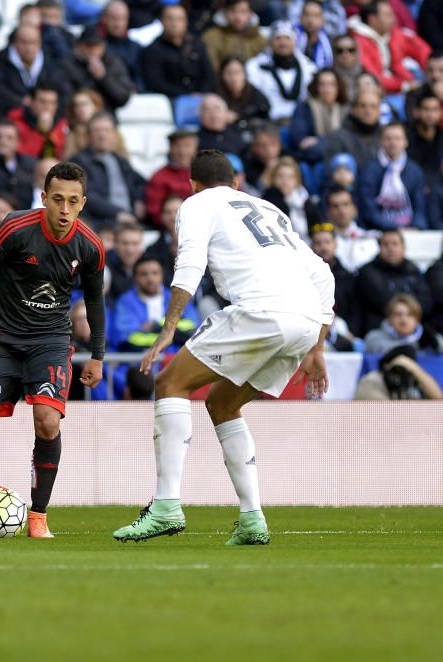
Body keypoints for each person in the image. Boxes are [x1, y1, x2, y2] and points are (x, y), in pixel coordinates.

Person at [112, 149, 334, 546]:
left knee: (169, 384)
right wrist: (317, 348)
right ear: (236, 182)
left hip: (261, 312)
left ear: (192, 184)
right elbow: (322, 273)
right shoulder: (269, 209)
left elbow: (190, 263)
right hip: (303, 320)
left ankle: (165, 506)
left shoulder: (197, 203)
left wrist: (169, 328)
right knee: (223, 404)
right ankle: (252, 520)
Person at [0, 161, 106, 539]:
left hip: (49, 343)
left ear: (83, 203)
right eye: (58, 200)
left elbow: (95, 300)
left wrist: (97, 354)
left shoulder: (91, 246)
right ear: (44, 198)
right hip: (0, 339)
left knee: (47, 422)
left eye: (73, 202)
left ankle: (39, 515)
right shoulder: (16, 227)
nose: (64, 210)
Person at [70, 112, 146, 228]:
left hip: (129, 220)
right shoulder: (79, 162)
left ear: (115, 135)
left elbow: (140, 182)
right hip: (101, 222)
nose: (102, 135)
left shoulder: (120, 160)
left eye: (107, 130)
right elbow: (85, 195)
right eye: (97, 131)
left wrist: (139, 199)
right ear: (88, 136)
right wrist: (117, 213)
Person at [111, 256, 200, 352]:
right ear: (135, 278)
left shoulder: (177, 298)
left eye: (155, 273)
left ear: (162, 275)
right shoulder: (125, 302)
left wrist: (156, 326)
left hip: (172, 360)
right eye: (144, 274)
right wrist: (169, 337)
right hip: (137, 362)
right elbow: (128, 338)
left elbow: (192, 326)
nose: (150, 278)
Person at [355, 229, 435, 334]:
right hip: (379, 329)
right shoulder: (367, 272)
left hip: (415, 329)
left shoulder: (414, 270)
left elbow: (427, 301)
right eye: (386, 244)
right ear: (379, 248)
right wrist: (409, 306)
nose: (390, 248)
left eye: (395, 244)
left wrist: (408, 314)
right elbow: (380, 299)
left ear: (403, 248)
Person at [356, 121, 427, 230]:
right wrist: (393, 228)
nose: (393, 143)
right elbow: (368, 208)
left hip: (411, 231)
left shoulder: (415, 170)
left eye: (397, 138)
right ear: (380, 141)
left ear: (406, 142)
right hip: (378, 230)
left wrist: (417, 226)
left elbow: (420, 205)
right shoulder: (370, 170)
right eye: (388, 138)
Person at [348, 0, 430, 94]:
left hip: (401, 82)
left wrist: (432, 71)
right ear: (372, 19)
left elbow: (421, 49)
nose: (394, 19)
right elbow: (374, 77)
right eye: (387, 15)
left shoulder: (392, 33)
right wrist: (404, 85)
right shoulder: (358, 43)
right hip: (380, 92)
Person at [246, 21, 318, 124]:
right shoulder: (255, 66)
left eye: (287, 38)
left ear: (295, 42)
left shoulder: (308, 67)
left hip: (300, 121)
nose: (283, 43)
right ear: (270, 42)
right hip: (269, 121)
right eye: (278, 38)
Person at [140, 3, 216, 99]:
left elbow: (209, 76)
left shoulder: (197, 45)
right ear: (162, 21)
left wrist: (201, 93)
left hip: (201, 98)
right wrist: (185, 95)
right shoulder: (152, 50)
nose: (174, 24)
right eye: (170, 19)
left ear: (186, 22)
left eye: (180, 19)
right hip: (170, 100)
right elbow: (156, 83)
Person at [354, 344, 443, 399]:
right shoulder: (371, 381)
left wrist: (417, 371)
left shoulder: (413, 380)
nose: (403, 372)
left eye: (407, 367)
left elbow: (438, 399)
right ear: (386, 365)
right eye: (399, 367)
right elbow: (381, 417)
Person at [202, 0, 268, 73]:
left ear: (251, 14)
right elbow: (210, 68)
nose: (238, 17)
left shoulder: (260, 39)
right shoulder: (211, 37)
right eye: (233, 11)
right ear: (224, 12)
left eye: (243, 11)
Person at [364, 293, 443, 353]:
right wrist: (417, 347)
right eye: (398, 314)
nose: (404, 320)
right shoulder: (374, 337)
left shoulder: (426, 338)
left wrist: (437, 345)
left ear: (417, 319)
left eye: (410, 315)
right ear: (389, 317)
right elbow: (386, 349)